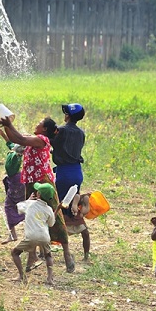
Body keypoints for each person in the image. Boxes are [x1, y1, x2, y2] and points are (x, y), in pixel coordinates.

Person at [0, 115, 75, 273]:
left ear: (44, 129)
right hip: (31, 182)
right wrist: (6, 125)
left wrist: (9, 124)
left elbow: (20, 138)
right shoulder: (33, 138)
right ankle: (32, 256)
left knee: (57, 217)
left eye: (39, 123)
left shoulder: (42, 140)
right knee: (31, 217)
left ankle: (67, 253)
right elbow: (16, 140)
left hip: (44, 181)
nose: (36, 124)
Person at [51, 103, 90, 260]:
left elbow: (50, 143)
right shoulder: (80, 133)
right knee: (75, 207)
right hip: (76, 172)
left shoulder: (61, 130)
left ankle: (52, 248)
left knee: (58, 207)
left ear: (67, 115)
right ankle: (86, 254)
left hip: (64, 172)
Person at [11, 183, 56, 285]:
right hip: (44, 237)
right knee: (48, 256)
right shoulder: (49, 209)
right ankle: (50, 278)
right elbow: (51, 224)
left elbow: (19, 206)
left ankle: (22, 276)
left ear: (38, 194)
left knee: (15, 253)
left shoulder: (30, 204)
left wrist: (29, 200)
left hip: (31, 236)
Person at [0, 127, 26, 244]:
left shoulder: (17, 155)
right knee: (21, 205)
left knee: (10, 206)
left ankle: (13, 234)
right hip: (16, 181)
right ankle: (14, 234)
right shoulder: (14, 150)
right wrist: (2, 134)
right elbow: (9, 142)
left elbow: (15, 146)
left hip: (16, 182)